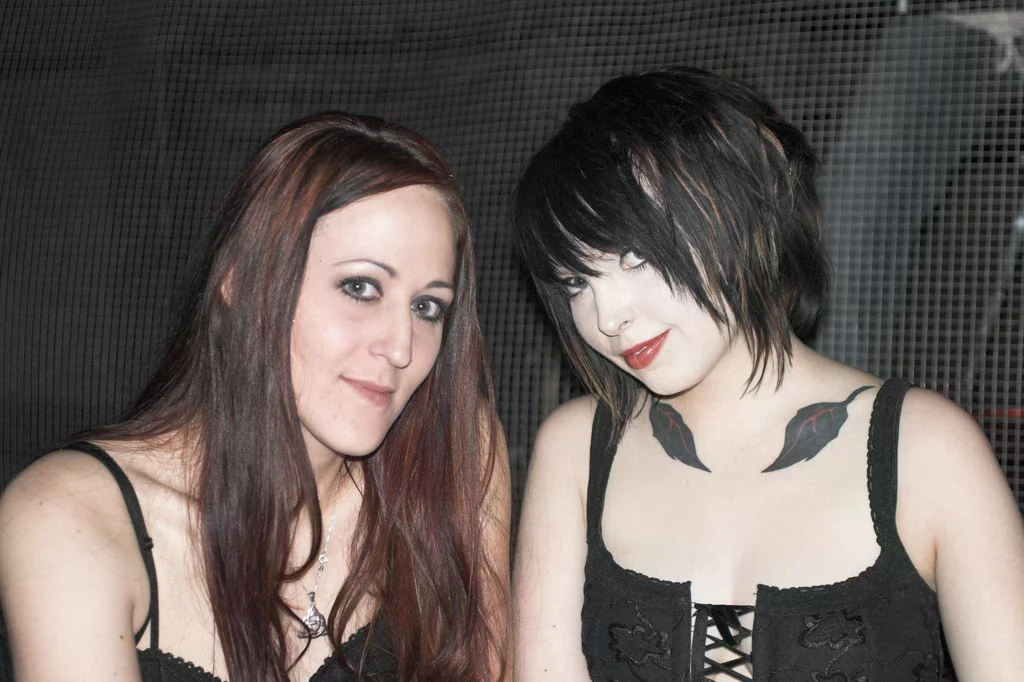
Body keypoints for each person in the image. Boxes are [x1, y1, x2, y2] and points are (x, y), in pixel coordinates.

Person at [511, 65, 1024, 681]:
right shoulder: (576, 450)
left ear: (739, 205)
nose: (607, 315)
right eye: (575, 281)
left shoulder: (928, 450)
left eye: (635, 256)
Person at [0, 112, 510, 681]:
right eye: (360, 287)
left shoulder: (454, 458)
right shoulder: (71, 516)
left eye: (427, 307)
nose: (400, 347)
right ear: (241, 283)